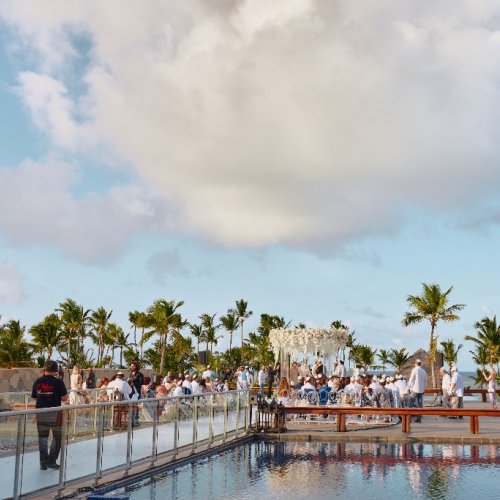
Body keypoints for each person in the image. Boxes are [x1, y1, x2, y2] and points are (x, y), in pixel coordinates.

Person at [31, 359, 68, 470]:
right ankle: (51, 461)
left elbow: (34, 396)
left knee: (43, 439)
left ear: (45, 369)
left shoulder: (38, 381)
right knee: (57, 438)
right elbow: (65, 398)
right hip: (54, 415)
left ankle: (43, 463)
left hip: (40, 414)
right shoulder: (58, 382)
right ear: (55, 370)